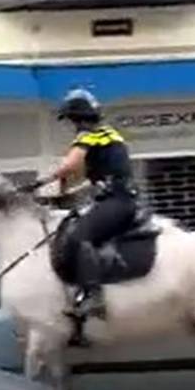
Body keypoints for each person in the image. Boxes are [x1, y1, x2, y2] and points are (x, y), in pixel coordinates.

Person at [20, 88, 138, 319]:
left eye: (72, 120)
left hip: (116, 202)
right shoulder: (109, 135)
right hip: (120, 198)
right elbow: (99, 181)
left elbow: (70, 166)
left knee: (80, 236)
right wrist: (63, 196)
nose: (72, 125)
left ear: (79, 118)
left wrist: (38, 183)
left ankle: (93, 295)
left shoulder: (88, 136)